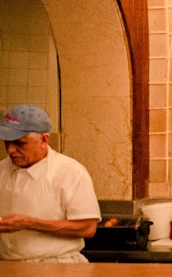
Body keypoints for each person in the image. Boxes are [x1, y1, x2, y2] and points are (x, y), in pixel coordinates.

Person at [0, 104, 100, 262]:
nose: (10, 150)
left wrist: (29, 223)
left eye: (19, 143)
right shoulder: (2, 169)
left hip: (57, 265)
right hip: (9, 267)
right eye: (7, 143)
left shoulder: (70, 172)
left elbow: (87, 227)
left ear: (44, 140)